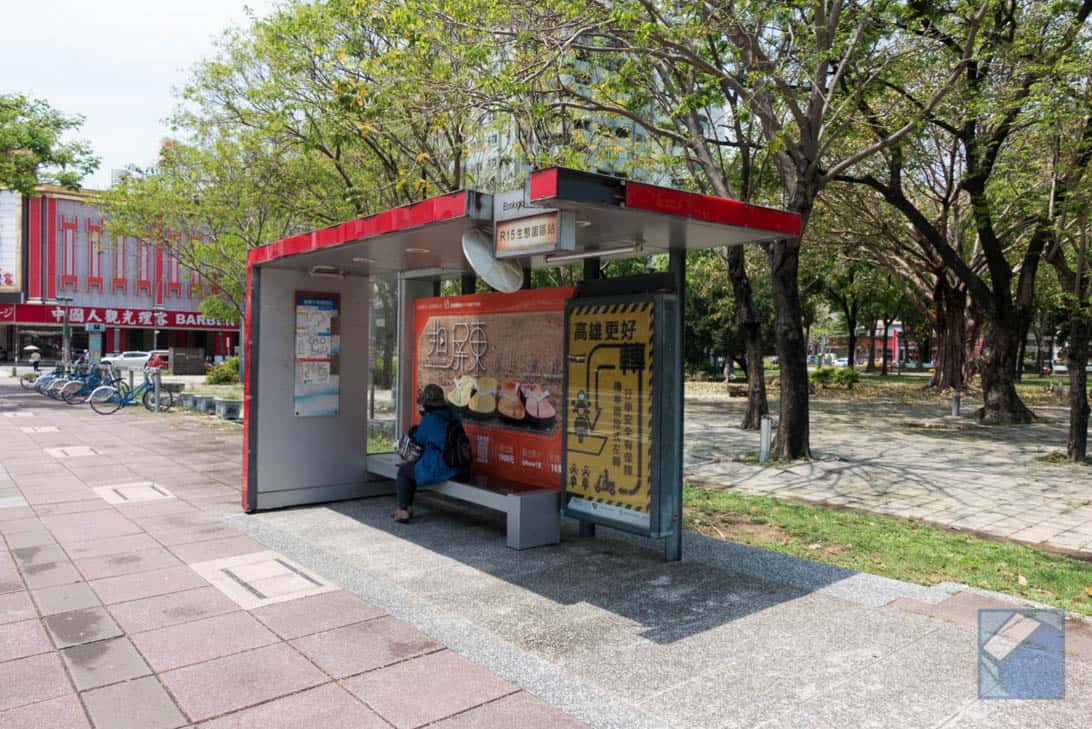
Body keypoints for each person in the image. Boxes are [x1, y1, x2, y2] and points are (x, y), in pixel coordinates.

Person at [393, 384, 464, 523]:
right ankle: (407, 508)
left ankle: (403, 510)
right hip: (458, 465)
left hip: (442, 467)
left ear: (427, 404)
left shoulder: (430, 420)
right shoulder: (453, 416)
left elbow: (418, 440)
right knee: (413, 469)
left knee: (404, 471)